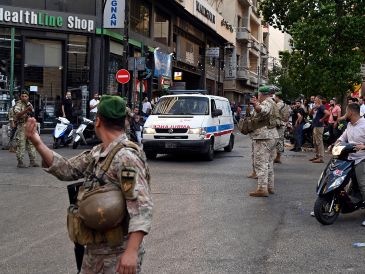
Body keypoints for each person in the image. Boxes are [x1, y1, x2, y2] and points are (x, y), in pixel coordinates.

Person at [24, 95, 153, 273]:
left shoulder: (126, 157)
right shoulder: (99, 152)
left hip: (118, 253)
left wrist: (131, 252)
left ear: (98, 121)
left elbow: (142, 208)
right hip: (95, 250)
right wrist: (37, 142)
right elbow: (67, 170)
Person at [335, 103, 365, 226]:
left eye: (346, 112)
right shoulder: (349, 124)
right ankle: (329, 205)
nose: (345, 115)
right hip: (348, 158)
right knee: (337, 179)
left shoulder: (364, 124)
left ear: (351, 113)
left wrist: (363, 146)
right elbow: (343, 137)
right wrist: (336, 142)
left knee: (363, 184)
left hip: (362, 159)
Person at [249, 86, 279, 197]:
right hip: (272, 135)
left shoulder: (266, 103)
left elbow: (263, 111)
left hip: (264, 137)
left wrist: (256, 105)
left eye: (258, 94)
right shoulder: (273, 102)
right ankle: (270, 187)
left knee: (261, 163)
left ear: (262, 94)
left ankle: (262, 188)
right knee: (269, 163)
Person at [13, 90, 39, 168]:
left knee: (31, 144)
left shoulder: (29, 104)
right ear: (20, 97)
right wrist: (26, 110)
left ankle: (32, 161)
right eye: (22, 96)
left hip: (29, 126)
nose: (24, 97)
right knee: (21, 144)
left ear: (28, 97)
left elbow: (33, 113)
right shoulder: (18, 104)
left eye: (26, 96)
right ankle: (20, 162)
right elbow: (17, 115)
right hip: (22, 126)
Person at [309, 95, 330, 163]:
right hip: (315, 125)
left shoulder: (321, 106)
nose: (314, 100)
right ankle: (317, 155)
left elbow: (328, 113)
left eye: (316, 99)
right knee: (315, 142)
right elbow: (310, 114)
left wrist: (322, 119)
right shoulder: (317, 107)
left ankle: (321, 157)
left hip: (319, 126)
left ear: (319, 100)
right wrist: (313, 108)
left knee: (319, 142)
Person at [274, 91, 290, 163]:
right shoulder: (286, 105)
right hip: (283, 124)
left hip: (278, 124)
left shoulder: (278, 104)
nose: (274, 98)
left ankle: (277, 157)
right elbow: (288, 115)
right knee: (280, 140)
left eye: (275, 97)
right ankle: (278, 157)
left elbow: (273, 113)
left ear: (278, 97)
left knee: (277, 141)